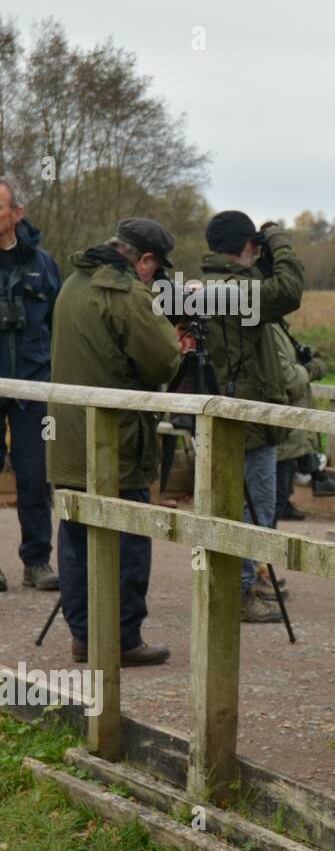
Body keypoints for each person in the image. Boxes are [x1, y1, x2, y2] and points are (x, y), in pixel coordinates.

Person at [47, 219, 180, 665]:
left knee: (76, 538)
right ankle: (123, 639)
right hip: (118, 444)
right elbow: (162, 363)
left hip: (67, 439)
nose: (156, 277)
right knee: (129, 540)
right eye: (156, 268)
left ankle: (84, 635)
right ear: (143, 259)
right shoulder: (127, 294)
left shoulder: (72, 283)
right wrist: (174, 335)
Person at [200, 211, 305, 623]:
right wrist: (278, 240)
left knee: (228, 502)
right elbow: (290, 291)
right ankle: (242, 591)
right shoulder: (239, 291)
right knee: (255, 506)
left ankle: (232, 585)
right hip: (250, 418)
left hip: (220, 413)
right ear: (245, 247)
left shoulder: (205, 285)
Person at [0, 177, 60, 594]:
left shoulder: (43, 264)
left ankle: (36, 561)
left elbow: (60, 324)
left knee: (35, 474)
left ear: (17, 214)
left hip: (32, 385)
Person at [270, 324, 335, 524]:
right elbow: (288, 380)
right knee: (269, 504)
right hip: (281, 433)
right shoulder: (269, 328)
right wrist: (311, 368)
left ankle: (315, 474)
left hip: (286, 434)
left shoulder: (276, 326)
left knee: (273, 501)